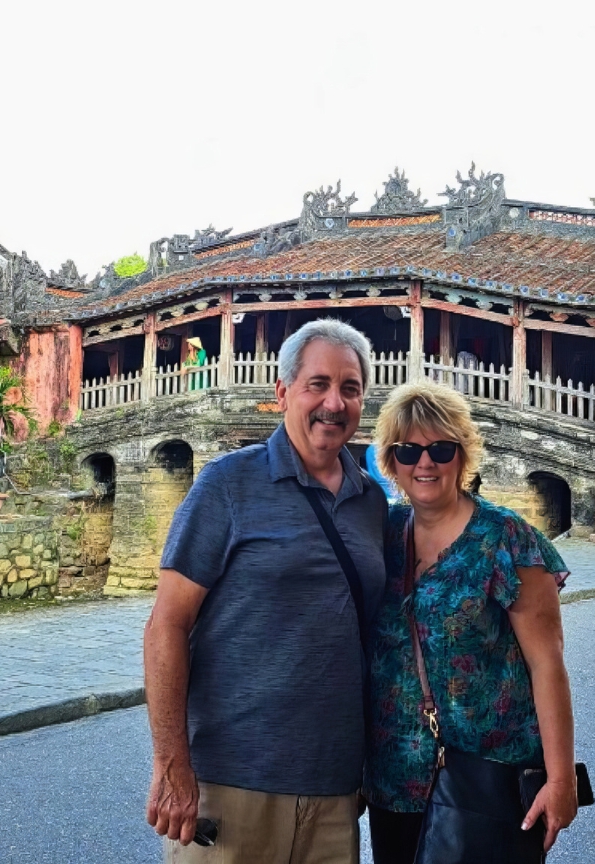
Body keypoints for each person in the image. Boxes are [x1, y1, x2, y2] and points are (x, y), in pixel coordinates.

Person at [144, 319, 387, 864]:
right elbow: (166, 625)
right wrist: (171, 764)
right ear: (283, 392)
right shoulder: (227, 484)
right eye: (317, 384)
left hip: (335, 790)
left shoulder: (371, 501)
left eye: (350, 388)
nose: (334, 403)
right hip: (231, 784)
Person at [366, 379, 578, 864]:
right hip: (394, 780)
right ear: (390, 460)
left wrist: (560, 779)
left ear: (462, 455)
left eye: (440, 449)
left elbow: (547, 664)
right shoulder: (383, 534)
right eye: (408, 451)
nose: (424, 463)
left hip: (486, 783)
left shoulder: (506, 538)